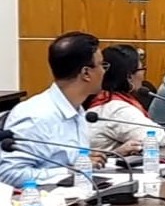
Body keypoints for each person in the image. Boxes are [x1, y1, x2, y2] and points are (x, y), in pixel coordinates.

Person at [0, 32, 106, 187]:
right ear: (86, 73)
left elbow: (71, 161)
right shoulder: (35, 116)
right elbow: (8, 174)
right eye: (102, 65)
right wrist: (69, 171)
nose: (104, 71)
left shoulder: (76, 109)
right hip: (41, 199)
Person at [85, 45, 165, 155]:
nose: (143, 74)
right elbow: (157, 138)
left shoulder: (100, 97)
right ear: (129, 77)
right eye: (141, 69)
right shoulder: (116, 108)